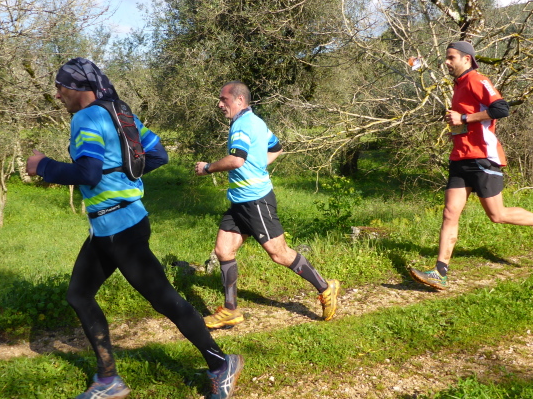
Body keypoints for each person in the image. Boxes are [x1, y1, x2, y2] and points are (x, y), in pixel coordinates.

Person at [26, 58, 243, 399]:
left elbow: (87, 173)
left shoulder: (86, 118)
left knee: (165, 299)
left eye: (59, 87)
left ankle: (221, 364)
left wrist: (43, 166)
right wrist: (124, 179)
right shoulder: (119, 111)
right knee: (79, 295)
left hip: (120, 231)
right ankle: (108, 379)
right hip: (115, 225)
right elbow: (157, 156)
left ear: (77, 88)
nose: (57, 95)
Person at [409, 42, 533, 290]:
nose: (447, 62)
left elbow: (501, 109)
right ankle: (440, 272)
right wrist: (457, 125)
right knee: (450, 213)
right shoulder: (458, 85)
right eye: (446, 58)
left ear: (467, 59)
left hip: (482, 157)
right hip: (460, 157)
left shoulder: (477, 79)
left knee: (497, 215)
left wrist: (463, 117)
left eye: (451, 58)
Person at [194, 81, 341, 329]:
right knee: (223, 250)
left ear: (239, 100)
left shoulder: (242, 125)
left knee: (279, 253)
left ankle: (326, 288)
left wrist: (207, 168)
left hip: (256, 201)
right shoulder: (256, 122)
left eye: (223, 99)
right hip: (239, 202)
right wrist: (259, 166)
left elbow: (236, 160)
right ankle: (230, 310)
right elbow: (277, 148)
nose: (219, 104)